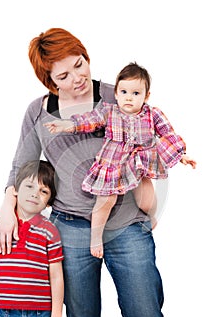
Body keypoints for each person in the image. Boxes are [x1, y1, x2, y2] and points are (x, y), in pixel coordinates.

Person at [0, 27, 170, 317]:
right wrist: (7, 208)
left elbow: (153, 134)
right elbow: (22, 166)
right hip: (70, 229)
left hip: (126, 224)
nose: (77, 77)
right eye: (63, 75)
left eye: (79, 64)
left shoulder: (119, 96)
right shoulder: (39, 111)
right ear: (51, 81)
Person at [44, 62, 196, 258]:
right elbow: (89, 120)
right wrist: (67, 124)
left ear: (146, 96)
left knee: (147, 199)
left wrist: (182, 155)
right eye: (124, 92)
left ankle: (151, 216)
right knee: (106, 200)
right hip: (113, 163)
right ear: (116, 93)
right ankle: (96, 237)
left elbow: (168, 133)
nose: (129, 98)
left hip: (139, 162)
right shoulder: (110, 111)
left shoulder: (152, 114)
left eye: (135, 93)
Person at [0, 160, 64, 317]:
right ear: (15, 189)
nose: (35, 193)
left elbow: (57, 276)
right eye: (29, 186)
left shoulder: (50, 231)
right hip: (5, 315)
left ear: (49, 201)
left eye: (44, 191)